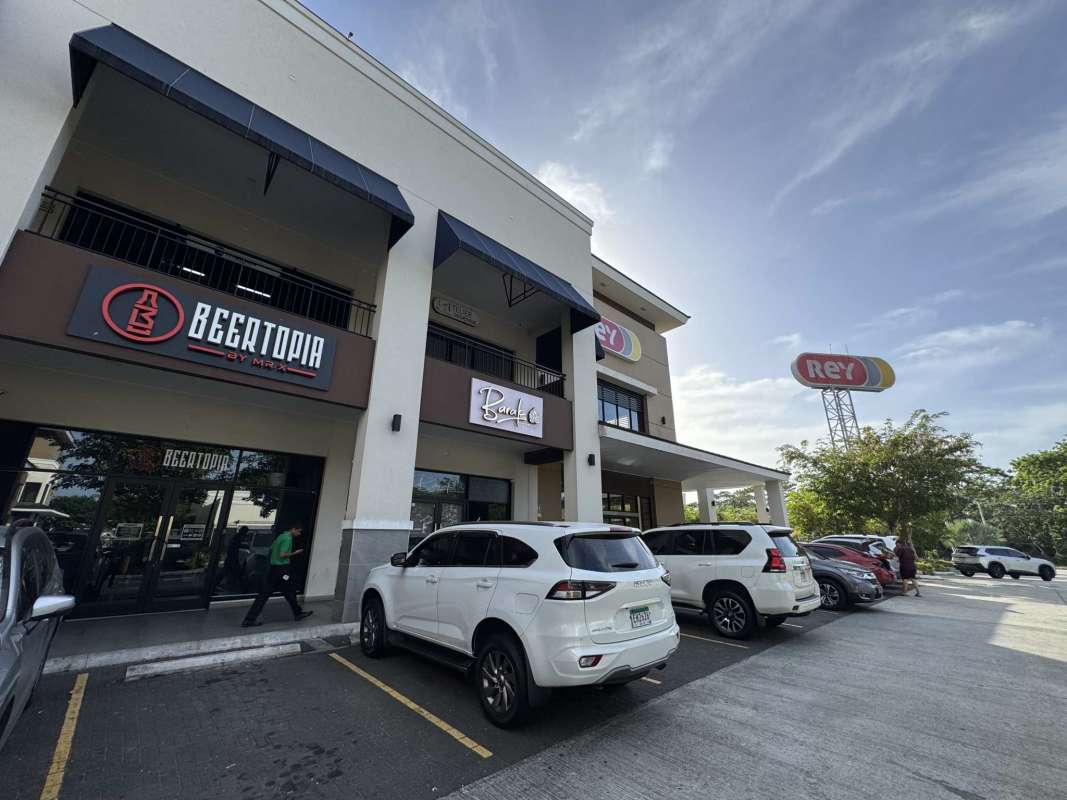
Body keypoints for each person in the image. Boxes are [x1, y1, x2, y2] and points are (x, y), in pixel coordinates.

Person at [241, 522, 313, 627]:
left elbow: (271, 549)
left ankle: (249, 619)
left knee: (267, 594)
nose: (299, 534)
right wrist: (295, 553)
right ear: (294, 529)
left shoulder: (280, 536)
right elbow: (282, 554)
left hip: (274, 569)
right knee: (289, 590)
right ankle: (298, 613)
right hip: (282, 570)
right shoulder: (287, 539)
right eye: (299, 532)